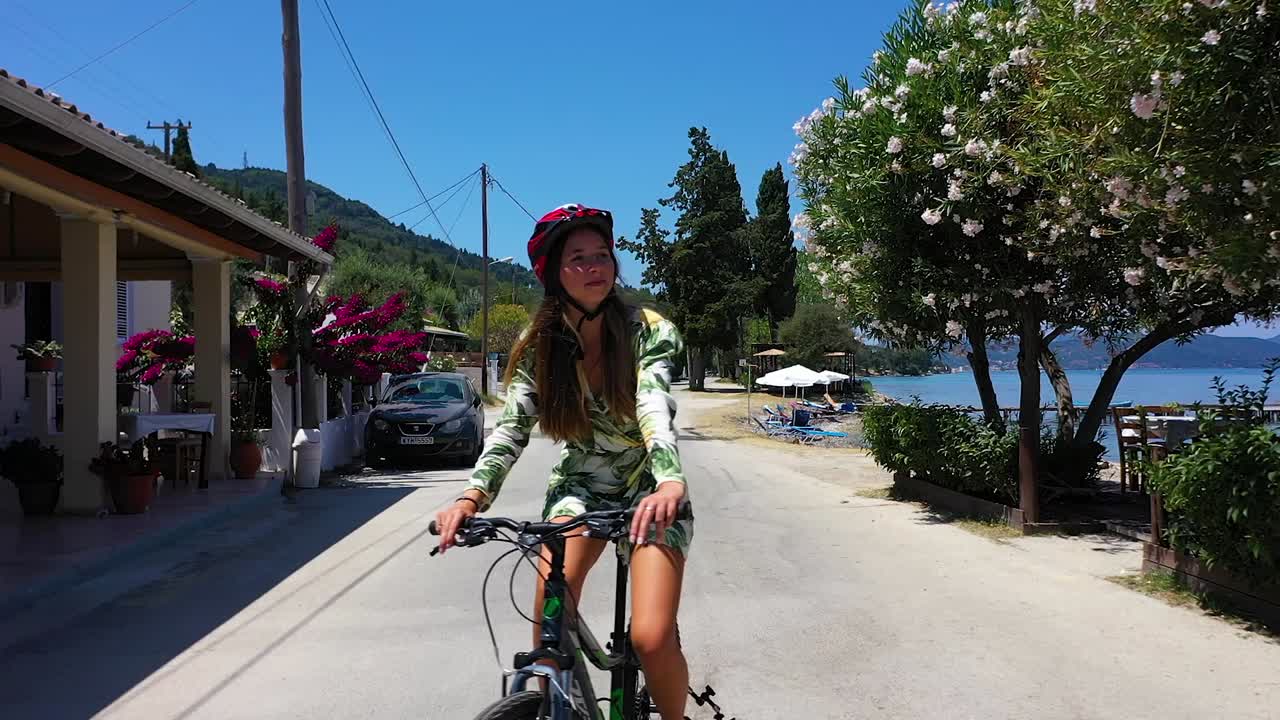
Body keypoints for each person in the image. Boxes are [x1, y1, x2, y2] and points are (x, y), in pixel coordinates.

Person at [434, 203, 693, 720]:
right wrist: (470, 496)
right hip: (581, 486)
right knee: (549, 625)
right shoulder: (538, 348)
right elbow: (511, 429)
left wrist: (669, 482)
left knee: (651, 636)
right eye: (579, 258)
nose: (595, 266)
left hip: (650, 488)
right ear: (553, 272)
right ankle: (558, 705)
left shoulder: (649, 330)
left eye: (602, 255)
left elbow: (652, 403)